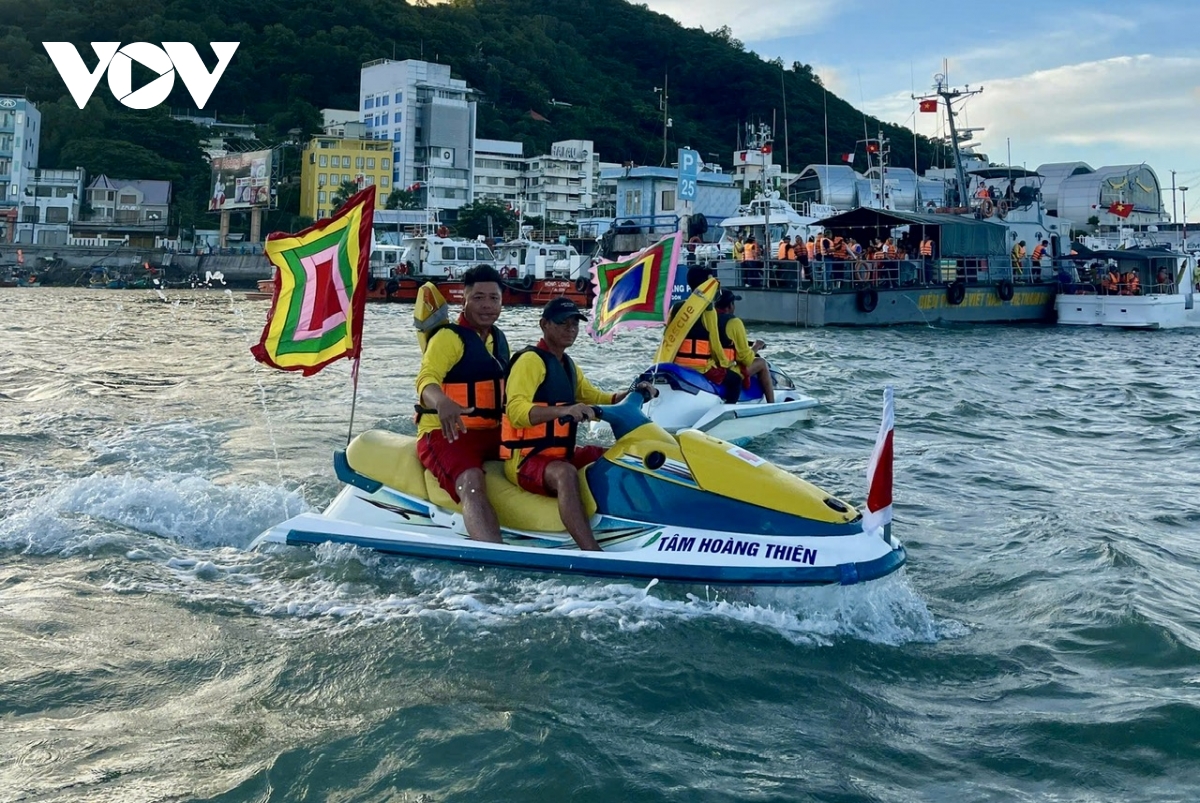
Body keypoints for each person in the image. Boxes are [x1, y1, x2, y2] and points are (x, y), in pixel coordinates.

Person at [502, 298, 651, 551]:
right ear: (544, 325)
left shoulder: (568, 365)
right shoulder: (530, 361)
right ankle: (590, 550)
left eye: (575, 324)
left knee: (615, 456)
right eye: (563, 323)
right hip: (525, 460)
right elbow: (516, 411)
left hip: (561, 454)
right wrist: (565, 410)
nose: (570, 329)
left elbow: (596, 398)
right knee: (566, 474)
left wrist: (632, 392)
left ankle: (637, 522)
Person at [413, 264, 510, 544]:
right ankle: (493, 553)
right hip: (447, 432)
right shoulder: (448, 338)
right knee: (471, 483)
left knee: (550, 451)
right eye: (478, 298)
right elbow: (426, 379)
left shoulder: (497, 340)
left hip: (491, 431)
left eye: (494, 298)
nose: (487, 306)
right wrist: (442, 401)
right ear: (464, 299)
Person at [713, 290, 775, 404]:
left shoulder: (709, 319)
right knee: (761, 362)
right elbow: (745, 359)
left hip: (710, 368)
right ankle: (772, 404)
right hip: (727, 371)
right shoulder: (734, 322)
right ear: (730, 305)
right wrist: (756, 346)